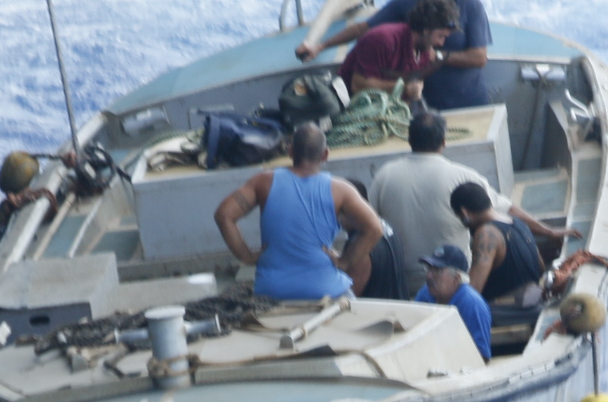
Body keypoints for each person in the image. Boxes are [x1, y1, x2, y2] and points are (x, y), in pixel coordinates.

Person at [370, 113, 579, 297]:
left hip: (403, 282)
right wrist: (549, 232)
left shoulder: (383, 176)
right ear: (443, 141)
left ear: (409, 140)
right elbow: (507, 209)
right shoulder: (464, 176)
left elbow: (371, 226)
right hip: (454, 282)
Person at [298, 0, 494, 109]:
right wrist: (320, 46)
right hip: (423, 101)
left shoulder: (471, 5)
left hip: (470, 101)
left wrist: (438, 56)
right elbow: (363, 29)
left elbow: (479, 58)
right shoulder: (405, 5)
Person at [214, 124, 383, 300]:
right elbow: (375, 228)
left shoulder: (262, 182)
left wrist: (246, 256)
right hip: (326, 289)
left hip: (272, 290)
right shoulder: (341, 189)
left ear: (290, 151)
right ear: (325, 154)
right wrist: (345, 261)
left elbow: (224, 215)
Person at [336, 0, 456, 104]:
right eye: (440, 36)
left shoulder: (425, 53)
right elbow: (357, 85)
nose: (441, 43)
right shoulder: (383, 39)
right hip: (347, 103)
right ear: (426, 30)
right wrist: (403, 88)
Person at [450, 180, 546, 304]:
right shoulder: (519, 223)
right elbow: (541, 268)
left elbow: (473, 291)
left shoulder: (486, 234)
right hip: (534, 302)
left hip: (508, 310)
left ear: (464, 213)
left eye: (460, 217)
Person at [413, 244, 491, 360]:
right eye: (428, 268)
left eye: (437, 270)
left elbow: (482, 356)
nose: (429, 275)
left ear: (456, 279)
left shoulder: (472, 304)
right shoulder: (426, 293)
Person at [347, 180, 405, 300]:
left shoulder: (361, 242)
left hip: (375, 310)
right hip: (399, 306)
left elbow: (350, 296)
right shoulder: (387, 226)